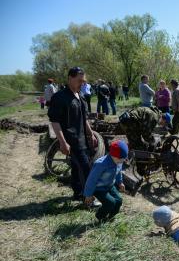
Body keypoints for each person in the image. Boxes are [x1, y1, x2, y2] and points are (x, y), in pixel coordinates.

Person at [48, 67, 100, 205]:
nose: (82, 83)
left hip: (82, 139)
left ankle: (78, 193)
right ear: (70, 78)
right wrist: (62, 142)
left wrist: (91, 134)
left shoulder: (81, 97)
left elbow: (84, 119)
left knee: (77, 168)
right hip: (71, 140)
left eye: (83, 81)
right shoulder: (60, 97)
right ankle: (89, 198)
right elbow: (55, 121)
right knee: (86, 168)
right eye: (79, 80)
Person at [84, 140, 127, 222]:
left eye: (123, 159)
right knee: (110, 202)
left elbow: (118, 172)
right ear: (112, 155)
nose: (122, 161)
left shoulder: (119, 161)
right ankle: (100, 217)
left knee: (118, 201)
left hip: (110, 185)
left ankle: (111, 216)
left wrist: (120, 182)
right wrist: (88, 194)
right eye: (121, 159)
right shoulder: (101, 164)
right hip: (99, 189)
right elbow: (91, 180)